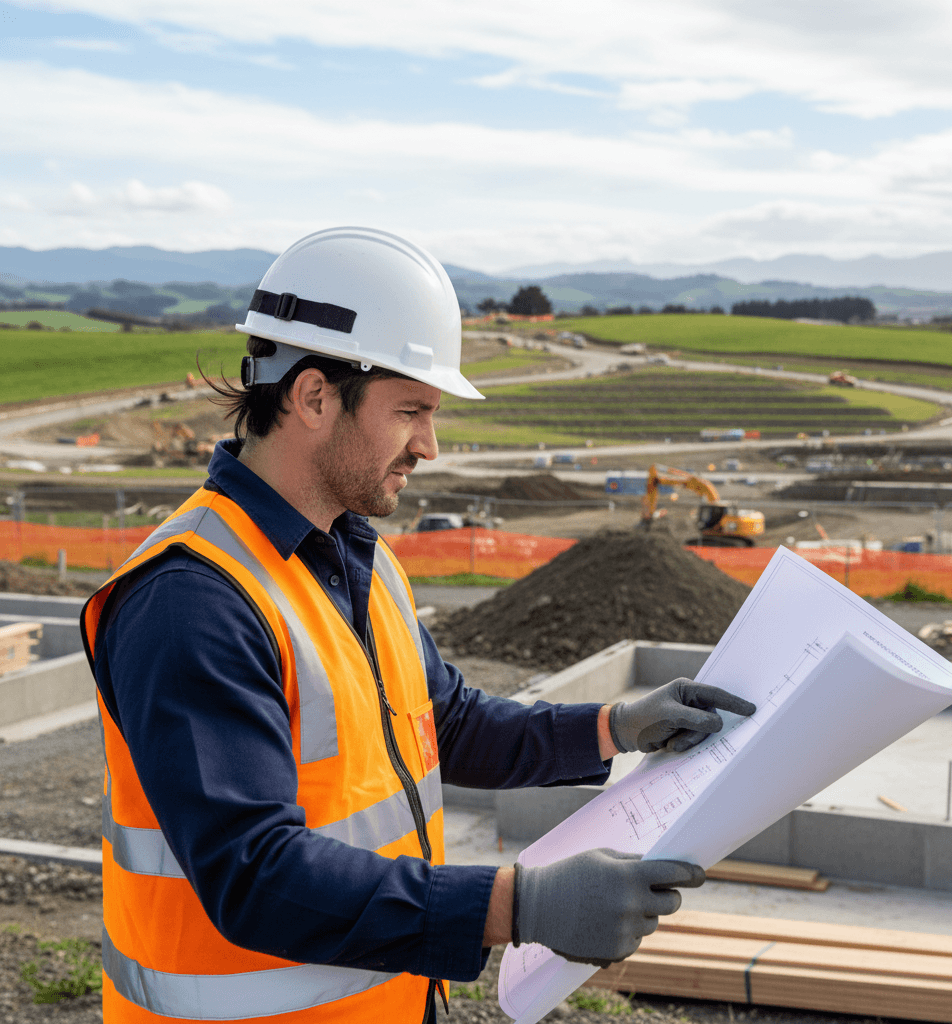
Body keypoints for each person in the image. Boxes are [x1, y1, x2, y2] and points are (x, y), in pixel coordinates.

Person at [81, 227, 756, 1024]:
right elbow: (254, 875)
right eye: (411, 411)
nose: (429, 446)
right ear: (313, 396)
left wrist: (613, 727)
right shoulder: (193, 601)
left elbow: (445, 722)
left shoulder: (354, 559)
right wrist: (513, 905)